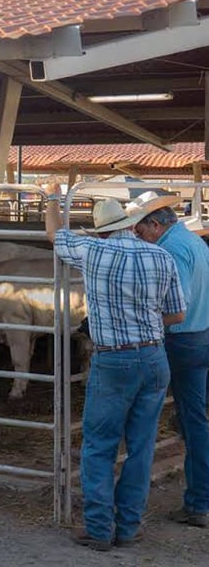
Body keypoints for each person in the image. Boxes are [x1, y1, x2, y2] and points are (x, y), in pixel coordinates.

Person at [44, 184, 186, 551]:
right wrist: (146, 321)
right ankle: (129, 527)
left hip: (114, 359)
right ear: (130, 223)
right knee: (141, 447)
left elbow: (55, 235)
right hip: (154, 358)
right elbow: (178, 313)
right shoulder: (161, 257)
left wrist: (52, 198)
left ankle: (98, 527)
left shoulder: (93, 250)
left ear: (102, 230)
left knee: (99, 445)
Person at [127, 190, 209, 528]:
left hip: (180, 340)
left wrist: (136, 323)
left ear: (156, 224)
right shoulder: (194, 241)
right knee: (194, 417)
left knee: (143, 412)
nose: (137, 235)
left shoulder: (171, 250)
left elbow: (176, 306)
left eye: (140, 229)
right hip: (201, 334)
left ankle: (133, 501)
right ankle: (199, 501)